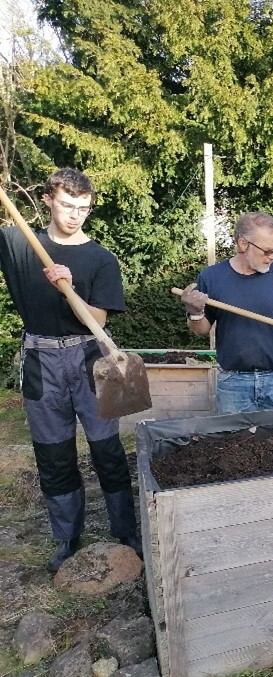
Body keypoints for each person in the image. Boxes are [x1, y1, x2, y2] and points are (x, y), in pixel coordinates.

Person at [0, 168, 142, 572]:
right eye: (66, 205)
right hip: (40, 360)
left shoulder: (100, 259)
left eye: (83, 207)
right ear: (47, 200)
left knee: (108, 450)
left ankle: (125, 530)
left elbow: (97, 319)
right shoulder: (17, 243)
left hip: (89, 358)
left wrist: (71, 287)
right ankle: (67, 538)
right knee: (54, 455)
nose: (75, 215)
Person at [180, 211, 273, 414]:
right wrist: (195, 313)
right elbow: (201, 329)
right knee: (233, 442)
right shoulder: (211, 277)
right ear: (243, 244)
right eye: (267, 251)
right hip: (233, 382)